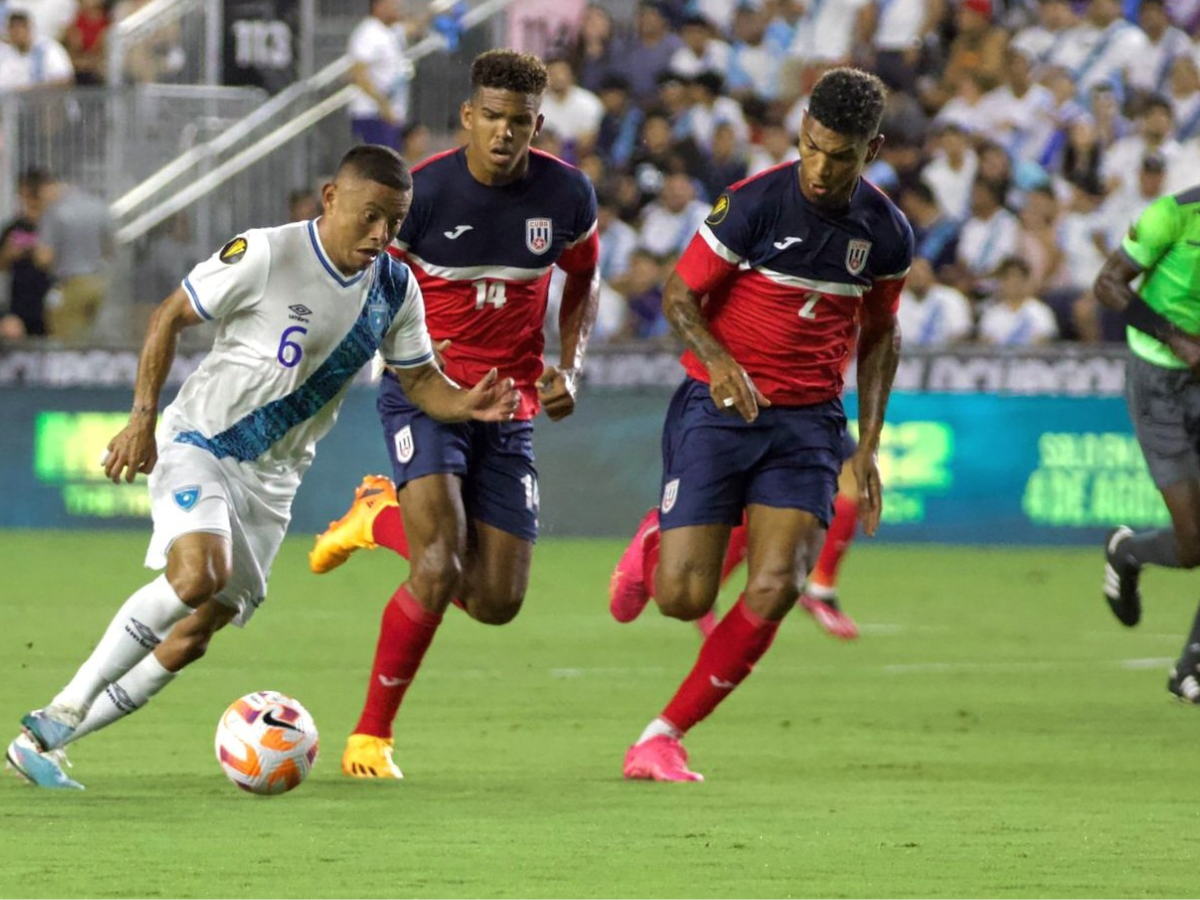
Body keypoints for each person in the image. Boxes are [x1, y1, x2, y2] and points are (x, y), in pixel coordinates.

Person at [5, 145, 520, 790]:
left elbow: (419, 380)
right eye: (369, 216)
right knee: (198, 574)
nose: (381, 234)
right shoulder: (267, 254)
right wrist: (142, 419)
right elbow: (170, 315)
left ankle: (39, 746)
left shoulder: (395, 286)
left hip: (274, 485)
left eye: (394, 221)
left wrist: (466, 403)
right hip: (204, 443)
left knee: (194, 634)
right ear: (332, 198)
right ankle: (66, 704)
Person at [607, 67, 912, 782]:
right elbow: (680, 295)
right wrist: (717, 361)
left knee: (779, 584)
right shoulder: (753, 205)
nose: (819, 166)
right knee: (684, 596)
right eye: (810, 146)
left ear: (870, 152)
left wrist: (866, 445)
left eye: (839, 156)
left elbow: (880, 336)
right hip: (719, 409)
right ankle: (655, 538)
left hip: (808, 423)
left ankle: (662, 736)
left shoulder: (886, 233)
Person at [307, 51, 600, 780]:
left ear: (539, 123)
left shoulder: (567, 196)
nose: (505, 134)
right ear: (469, 117)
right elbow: (372, 290)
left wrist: (573, 364)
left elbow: (584, 277)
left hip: (510, 404)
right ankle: (370, 737)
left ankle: (377, 519)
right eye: (492, 118)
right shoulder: (425, 195)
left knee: (497, 601)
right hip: (426, 391)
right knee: (438, 567)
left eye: (521, 122)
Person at [1093, 181, 1200, 703]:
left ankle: (1190, 670)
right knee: (1194, 542)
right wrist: (1176, 338)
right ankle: (1128, 553)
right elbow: (1108, 285)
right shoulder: (1171, 217)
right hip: (1159, 380)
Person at [347, 0, 427, 151]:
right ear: (379, 6)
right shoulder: (367, 33)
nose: (397, 8)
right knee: (379, 165)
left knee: (391, 164)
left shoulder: (391, 30)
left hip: (390, 112)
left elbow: (412, 27)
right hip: (373, 113)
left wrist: (435, 9)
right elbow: (359, 74)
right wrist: (383, 106)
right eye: (392, 5)